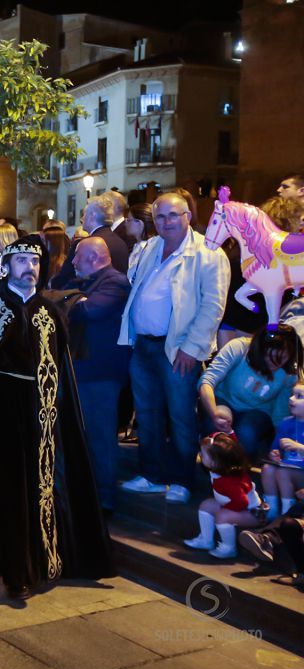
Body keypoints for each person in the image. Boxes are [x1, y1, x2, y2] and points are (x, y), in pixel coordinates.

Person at [0, 234, 114, 600]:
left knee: (42, 490)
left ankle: (46, 559)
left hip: (43, 417)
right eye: (22, 261)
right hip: (2, 417)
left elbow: (60, 370)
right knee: (9, 491)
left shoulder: (50, 313)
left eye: (35, 262)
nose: (30, 268)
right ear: (6, 268)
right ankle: (14, 570)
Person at [119, 192, 230, 504]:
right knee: (147, 415)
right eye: (160, 217)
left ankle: (182, 480)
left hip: (179, 348)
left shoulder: (209, 254)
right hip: (144, 346)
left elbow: (213, 306)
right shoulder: (151, 247)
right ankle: (151, 475)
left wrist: (192, 348)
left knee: (181, 416)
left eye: (172, 215)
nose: (165, 222)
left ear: (187, 217)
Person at [55, 237, 131, 511]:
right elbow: (55, 298)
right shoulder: (82, 283)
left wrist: (71, 301)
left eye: (77, 256)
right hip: (80, 370)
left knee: (100, 437)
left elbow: (88, 310)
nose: (73, 262)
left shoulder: (115, 282)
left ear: (95, 257)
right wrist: (72, 299)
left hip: (101, 374)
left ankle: (105, 498)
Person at [198, 325, 300, 461]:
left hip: (259, 411)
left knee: (247, 432)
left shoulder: (289, 374)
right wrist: (214, 412)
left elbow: (280, 413)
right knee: (215, 425)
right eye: (270, 357)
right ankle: (214, 469)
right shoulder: (239, 348)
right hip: (224, 399)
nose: (275, 364)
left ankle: (241, 473)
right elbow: (207, 381)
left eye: (282, 358)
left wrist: (277, 447)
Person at [183, 433, 263, 558]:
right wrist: (229, 431)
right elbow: (232, 446)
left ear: (216, 461)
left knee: (222, 516)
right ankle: (206, 540)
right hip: (238, 507)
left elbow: (242, 502)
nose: (200, 455)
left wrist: (225, 511)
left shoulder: (229, 482)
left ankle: (228, 548)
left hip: (254, 514)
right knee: (206, 505)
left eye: (203, 454)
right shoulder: (220, 467)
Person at [51, 195, 129, 287]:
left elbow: (63, 279)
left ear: (92, 216)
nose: (81, 219)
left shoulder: (83, 245)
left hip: (88, 297)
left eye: (84, 214)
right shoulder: (121, 243)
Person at [261, 383, 304, 520]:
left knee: (282, 471)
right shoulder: (285, 423)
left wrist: (299, 447)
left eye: (299, 396)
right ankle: (272, 510)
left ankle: (288, 513)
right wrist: (274, 455)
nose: (291, 398)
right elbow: (274, 449)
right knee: (267, 468)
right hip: (286, 469)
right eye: (292, 394)